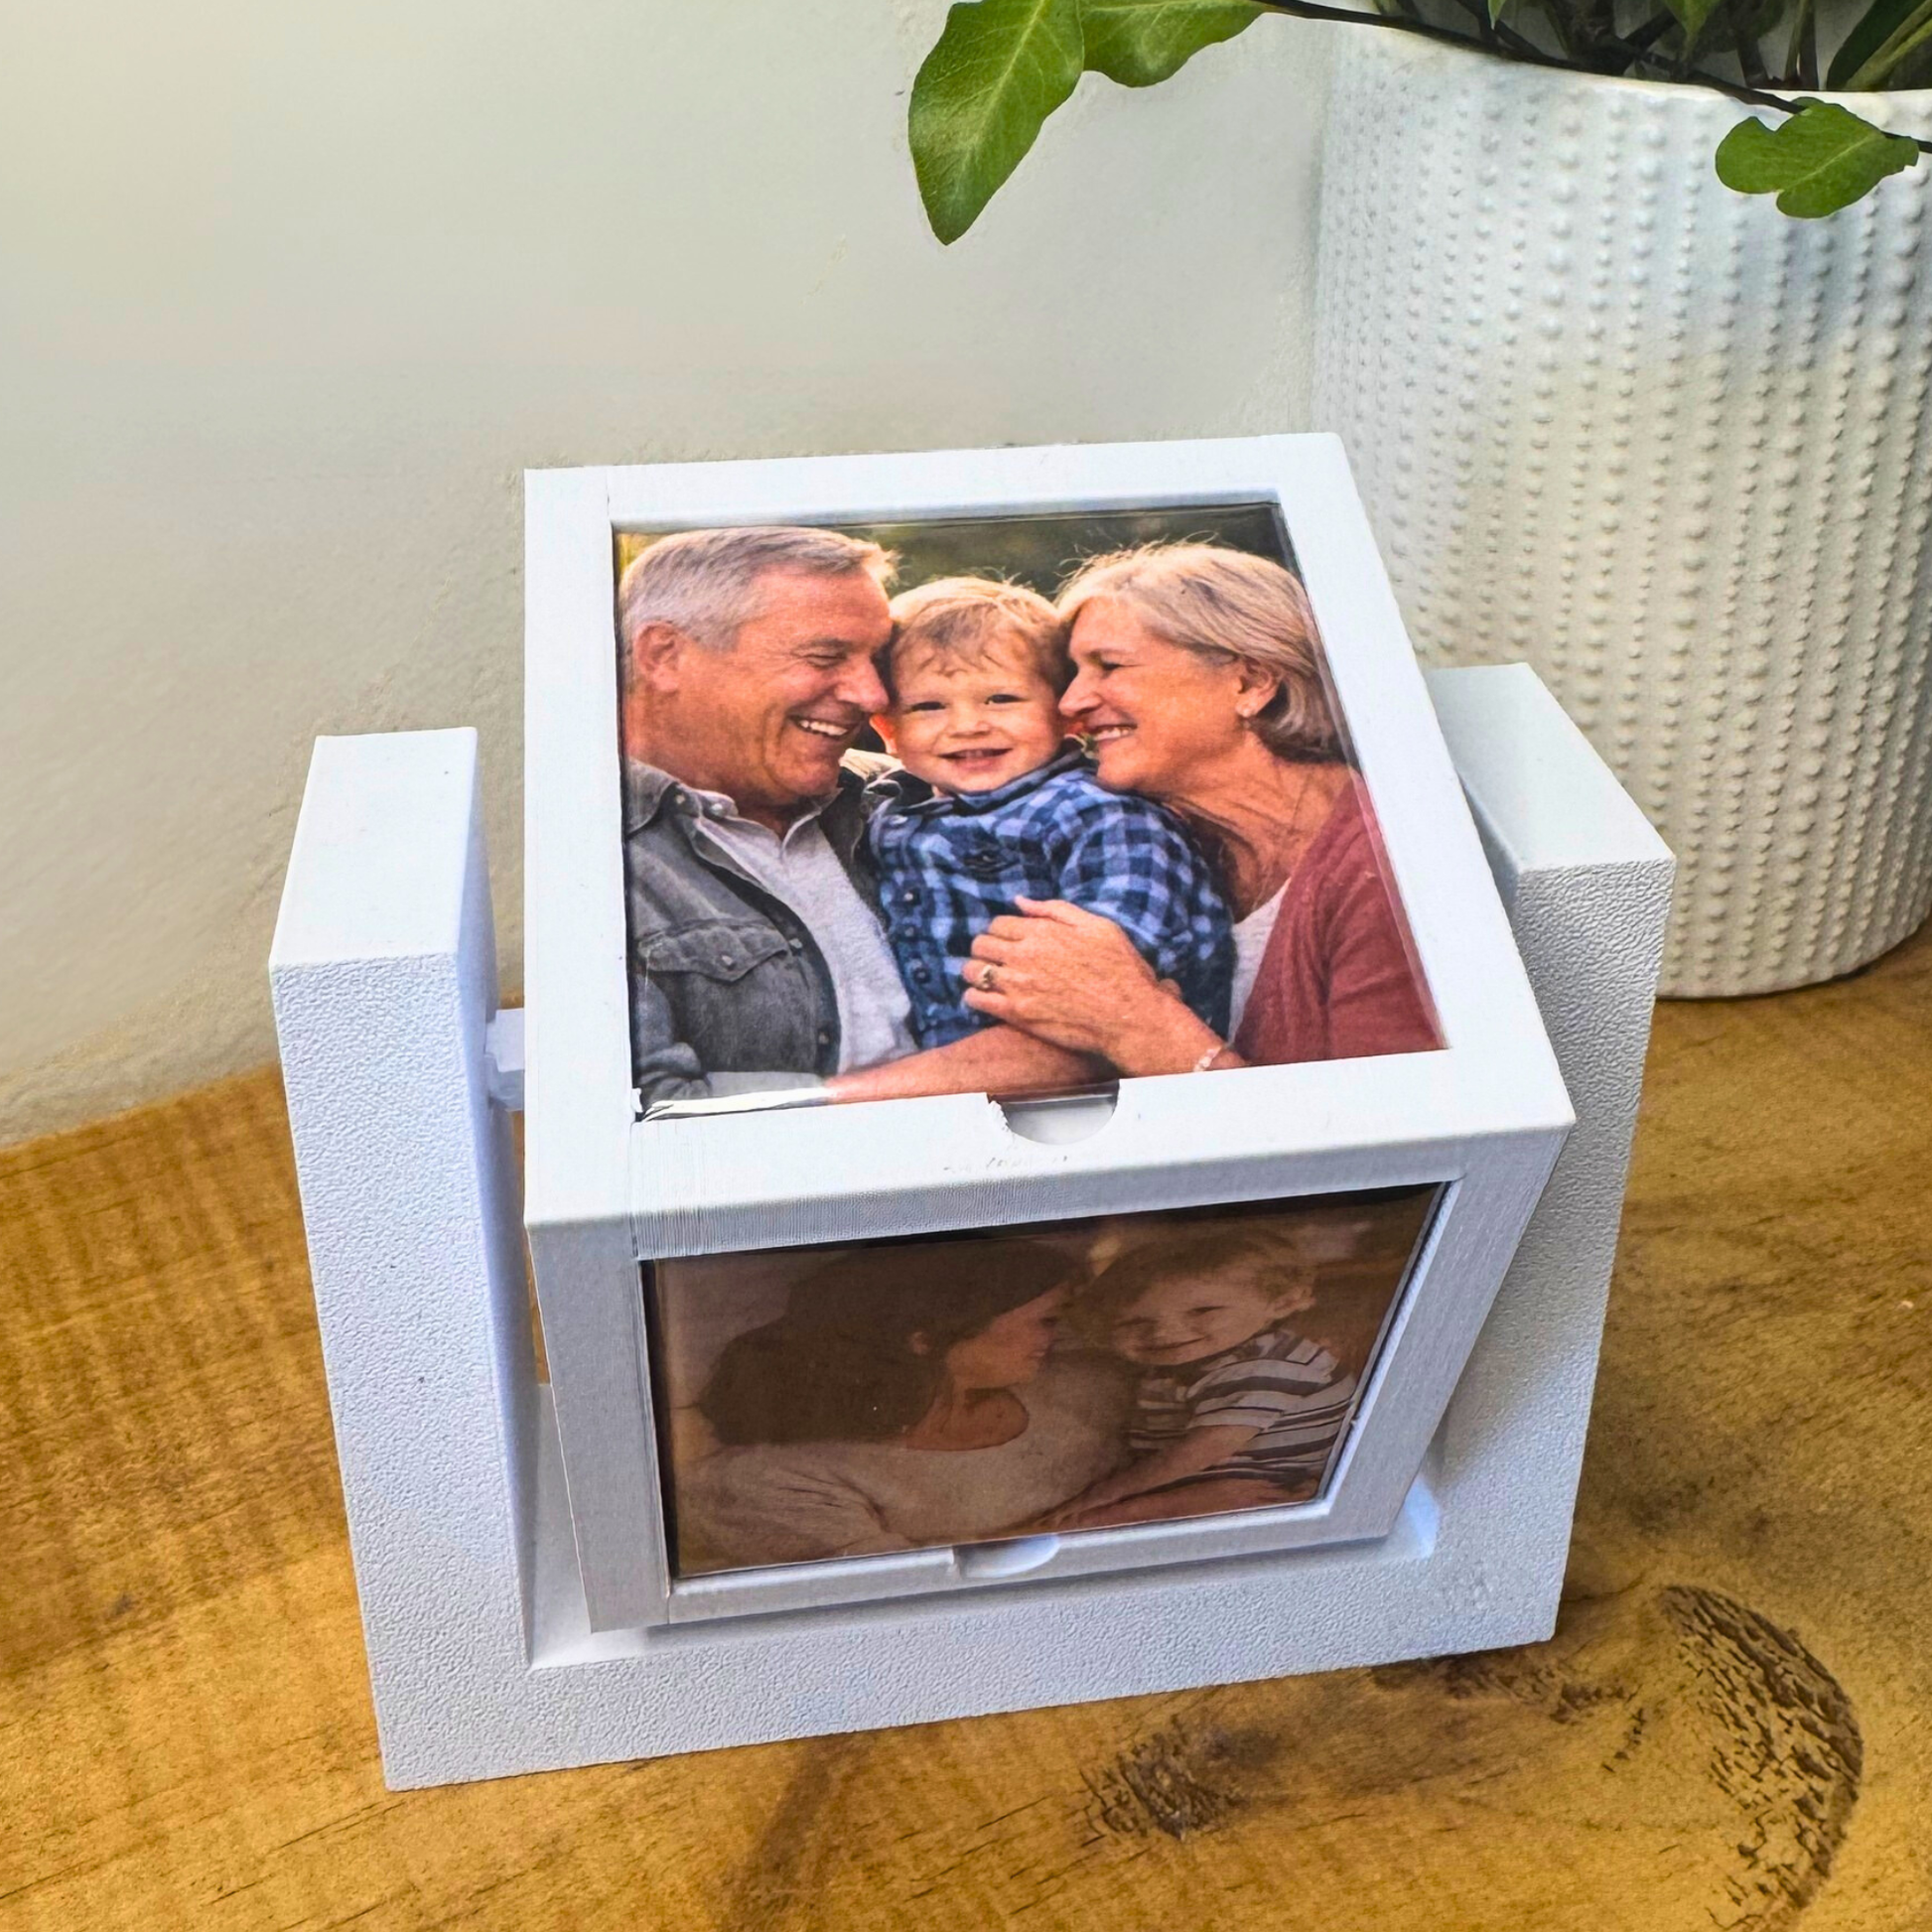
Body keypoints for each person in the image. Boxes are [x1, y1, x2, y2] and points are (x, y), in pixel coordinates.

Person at [618, 527, 1095, 1109]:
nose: (873, 696)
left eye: (877, 661)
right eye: (826, 657)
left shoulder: (915, 791)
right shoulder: (596, 859)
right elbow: (648, 1115)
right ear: (664, 655)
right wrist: (990, 1071)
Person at [960, 542, 1442, 1076]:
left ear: (1250, 683)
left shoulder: (1392, 863)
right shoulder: (1155, 836)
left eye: (1109, 666)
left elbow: (1394, 1123)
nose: (1070, 703)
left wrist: (1137, 1025)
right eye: (1074, 673)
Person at [857, 576, 1232, 1054]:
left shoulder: (1097, 813)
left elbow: (1119, 972)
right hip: (951, 1068)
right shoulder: (887, 813)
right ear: (888, 730)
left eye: (1001, 699)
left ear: (1066, 712)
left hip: (1103, 1061)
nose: (968, 725)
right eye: (929, 706)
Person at [674, 1241, 1127, 1571]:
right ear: (926, 1337)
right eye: (1046, 1320)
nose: (1055, 1337)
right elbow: (899, 1596)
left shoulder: (1085, 1385)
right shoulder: (774, 1478)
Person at [1033, 1229, 1353, 1532]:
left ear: (1280, 1303)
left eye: (1202, 1311)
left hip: (1262, 1491)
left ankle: (1124, 1513)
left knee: (1081, 1523)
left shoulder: (1266, 1364)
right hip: (1212, 1481)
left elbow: (1207, 1448)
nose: (1163, 1333)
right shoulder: (1202, 1355)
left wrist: (1108, 1493)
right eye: (1134, 1322)